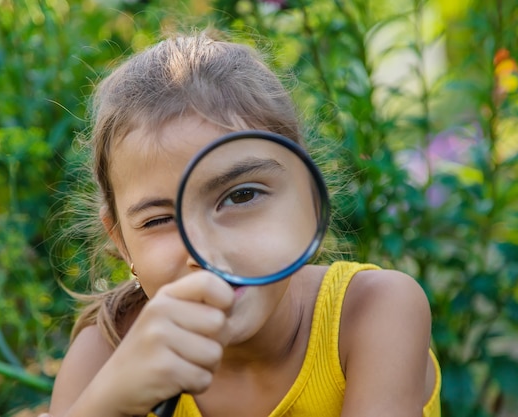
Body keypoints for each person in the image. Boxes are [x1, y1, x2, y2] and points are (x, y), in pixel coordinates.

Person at [46, 29, 441, 417]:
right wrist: (105, 403)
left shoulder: (375, 311)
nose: (206, 252)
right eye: (160, 219)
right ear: (121, 242)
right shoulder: (105, 352)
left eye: (241, 196)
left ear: (308, 200)